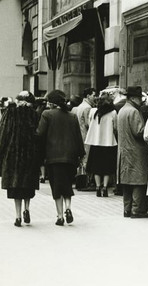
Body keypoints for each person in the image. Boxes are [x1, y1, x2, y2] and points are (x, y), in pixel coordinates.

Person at [36, 90, 85, 226]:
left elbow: (39, 134)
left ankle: (59, 216)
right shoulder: (72, 116)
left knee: (57, 186)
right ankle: (68, 208)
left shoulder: (47, 114)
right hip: (70, 157)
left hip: (53, 157)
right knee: (67, 184)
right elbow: (78, 137)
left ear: (51, 103)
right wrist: (80, 155)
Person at [0, 92, 40, 226]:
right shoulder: (34, 114)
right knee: (28, 184)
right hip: (30, 154)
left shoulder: (10, 113)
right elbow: (38, 135)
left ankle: (17, 216)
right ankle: (27, 209)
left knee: (15, 186)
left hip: (13, 155)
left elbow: (3, 134)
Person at [117, 86, 148, 218]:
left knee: (127, 182)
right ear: (133, 98)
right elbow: (139, 132)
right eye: (139, 98)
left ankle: (127, 209)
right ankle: (137, 210)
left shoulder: (122, 110)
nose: (141, 101)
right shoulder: (134, 112)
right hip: (136, 151)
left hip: (124, 150)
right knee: (138, 180)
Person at [85, 93, 118, 197]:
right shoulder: (113, 112)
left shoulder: (93, 111)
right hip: (108, 142)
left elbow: (89, 124)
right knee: (107, 167)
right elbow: (116, 127)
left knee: (96, 167)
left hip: (96, 142)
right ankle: (105, 188)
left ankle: (98, 187)